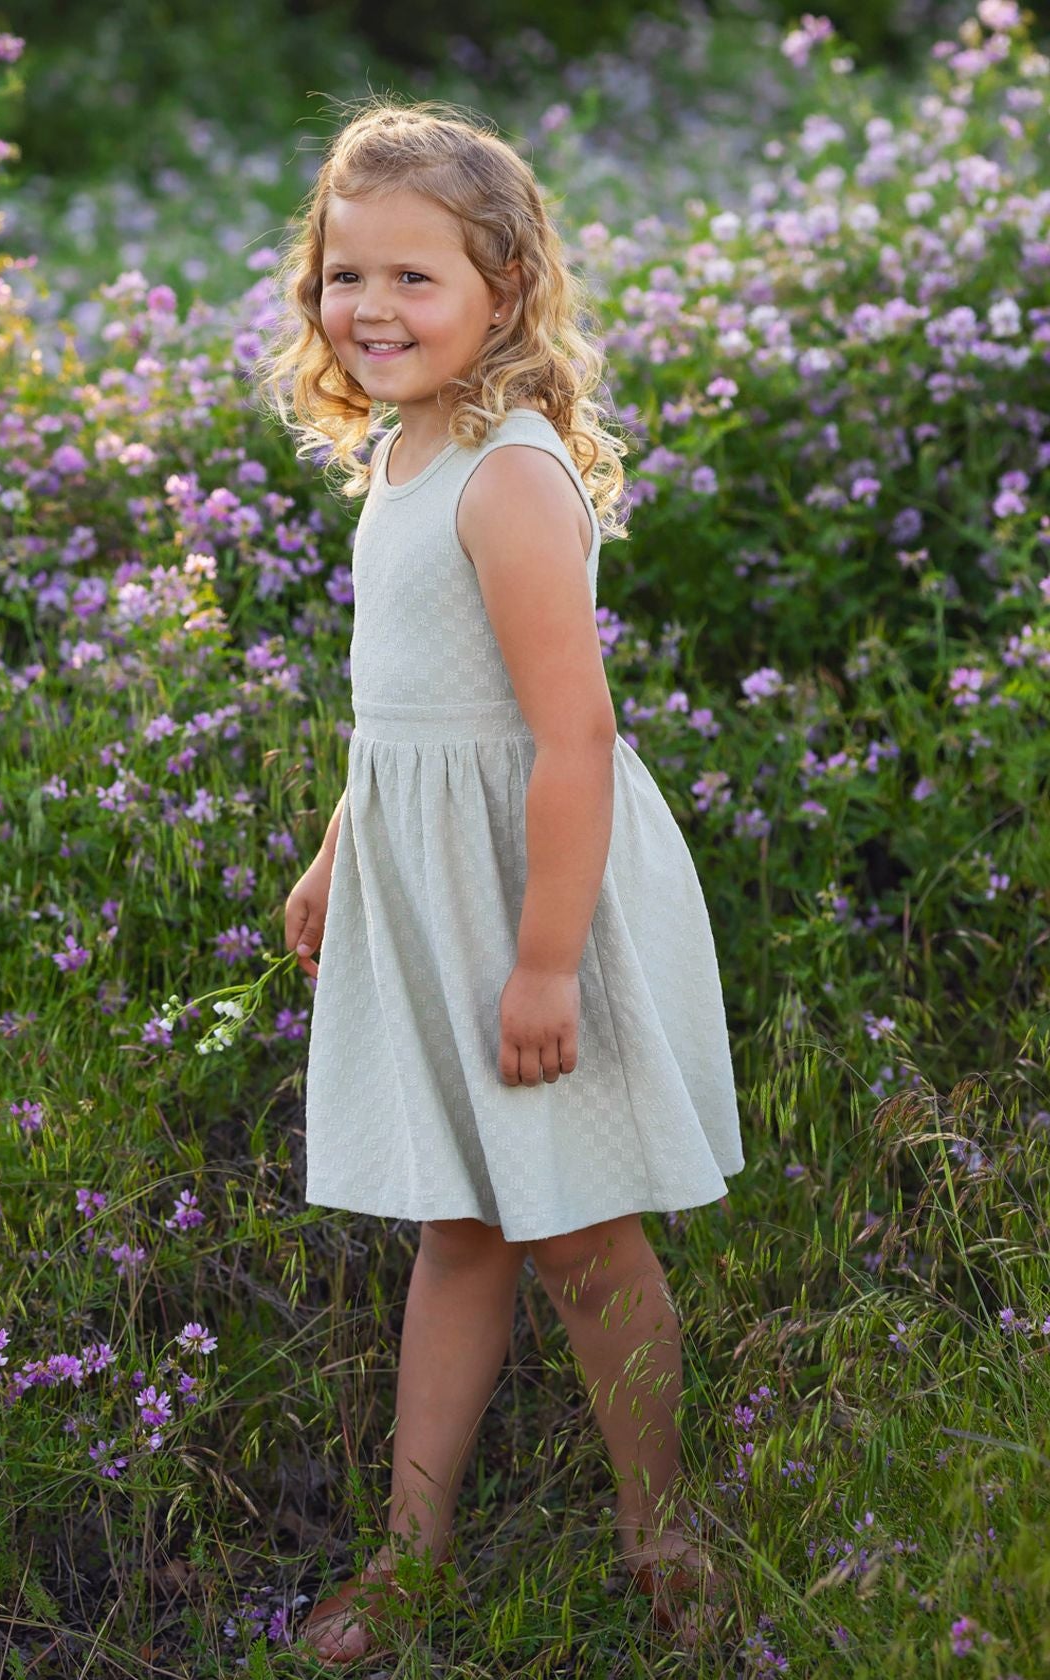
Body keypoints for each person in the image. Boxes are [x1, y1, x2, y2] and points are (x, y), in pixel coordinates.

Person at [256, 98, 745, 1665]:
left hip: (535, 892)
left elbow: (573, 737)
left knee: (583, 1233)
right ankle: (413, 1557)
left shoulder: (509, 475)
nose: (373, 310)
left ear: (505, 291)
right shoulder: (403, 450)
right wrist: (342, 845)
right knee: (460, 1226)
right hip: (427, 882)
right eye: (348, 277)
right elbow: (400, 706)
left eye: (416, 280)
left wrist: (546, 963)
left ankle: (665, 1537)